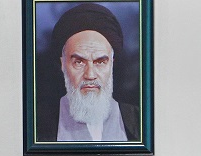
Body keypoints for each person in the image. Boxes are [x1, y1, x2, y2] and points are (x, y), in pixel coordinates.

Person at [38, 3, 140, 142]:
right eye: (79, 62)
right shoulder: (38, 125)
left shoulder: (139, 121)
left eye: (100, 62)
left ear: (112, 64)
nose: (90, 75)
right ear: (63, 64)